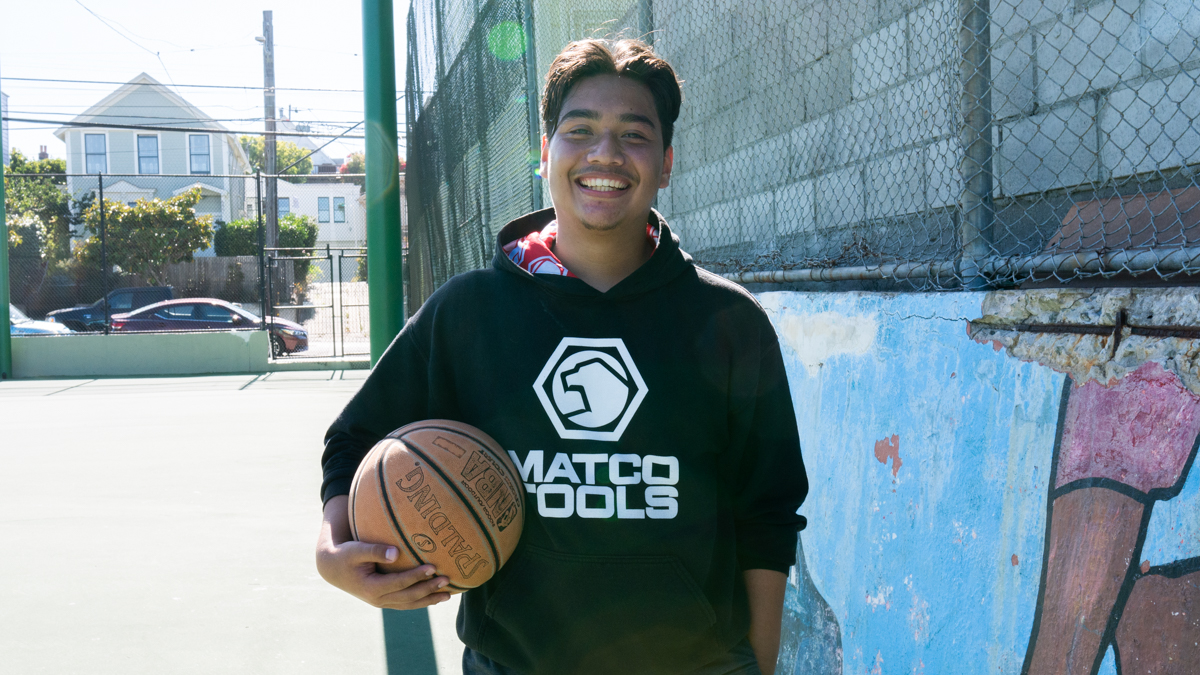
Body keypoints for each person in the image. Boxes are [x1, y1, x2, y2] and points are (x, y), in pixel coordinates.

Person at [316, 37, 808, 675]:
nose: (606, 153)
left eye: (635, 135)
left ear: (665, 163)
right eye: (580, 130)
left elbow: (766, 511)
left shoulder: (728, 322)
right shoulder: (469, 312)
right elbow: (355, 438)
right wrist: (333, 550)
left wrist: (760, 668)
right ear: (545, 155)